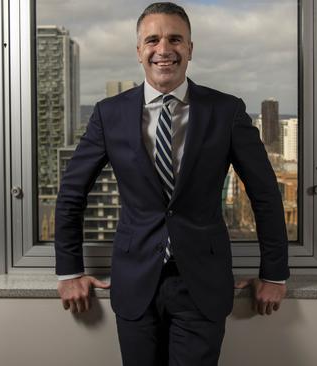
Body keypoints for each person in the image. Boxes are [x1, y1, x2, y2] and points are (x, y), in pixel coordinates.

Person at [54, 2, 289, 365]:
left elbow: (265, 195)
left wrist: (273, 273)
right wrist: (70, 271)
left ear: (190, 49)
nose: (164, 49)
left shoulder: (226, 111)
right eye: (152, 40)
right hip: (134, 281)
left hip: (202, 283)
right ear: (139, 51)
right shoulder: (109, 114)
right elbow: (71, 194)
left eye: (175, 39)